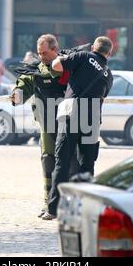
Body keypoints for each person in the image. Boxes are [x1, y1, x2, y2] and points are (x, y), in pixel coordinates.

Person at [42, 36, 114, 220]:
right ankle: (85, 209)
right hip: (92, 117)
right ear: (109, 53)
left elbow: (56, 67)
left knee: (62, 161)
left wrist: (65, 56)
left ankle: (53, 209)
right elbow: (102, 98)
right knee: (87, 164)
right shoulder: (108, 73)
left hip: (72, 112)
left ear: (93, 47)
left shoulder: (82, 56)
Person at [11, 34, 77, 218]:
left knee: (71, 163)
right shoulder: (36, 70)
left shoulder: (69, 66)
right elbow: (24, 85)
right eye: (39, 53)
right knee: (48, 161)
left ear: (55, 50)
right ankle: (49, 203)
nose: (42, 57)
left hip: (69, 123)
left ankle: (70, 204)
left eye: (45, 53)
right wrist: (17, 94)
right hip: (46, 123)